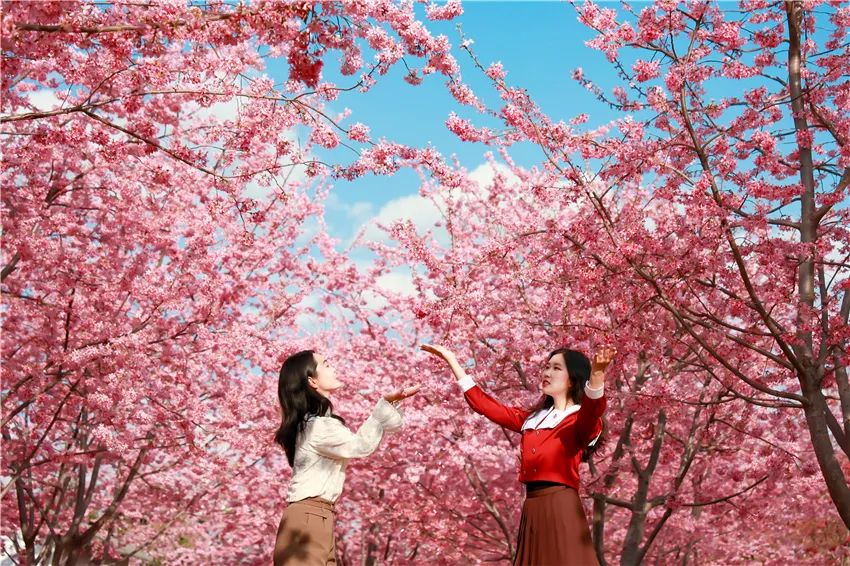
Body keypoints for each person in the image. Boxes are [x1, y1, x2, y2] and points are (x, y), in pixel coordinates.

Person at [421, 343, 616, 566]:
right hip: (532, 506)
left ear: (572, 380)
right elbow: (485, 405)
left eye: (556, 368)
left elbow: (592, 411)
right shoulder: (531, 419)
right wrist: (451, 360)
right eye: (547, 367)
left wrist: (597, 374)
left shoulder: (580, 421)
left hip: (561, 505)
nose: (547, 373)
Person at [272, 350, 420, 566]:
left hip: (317, 518)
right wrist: (384, 405)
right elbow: (360, 445)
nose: (333, 367)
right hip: (309, 519)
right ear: (312, 381)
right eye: (326, 363)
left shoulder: (312, 424)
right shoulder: (317, 426)